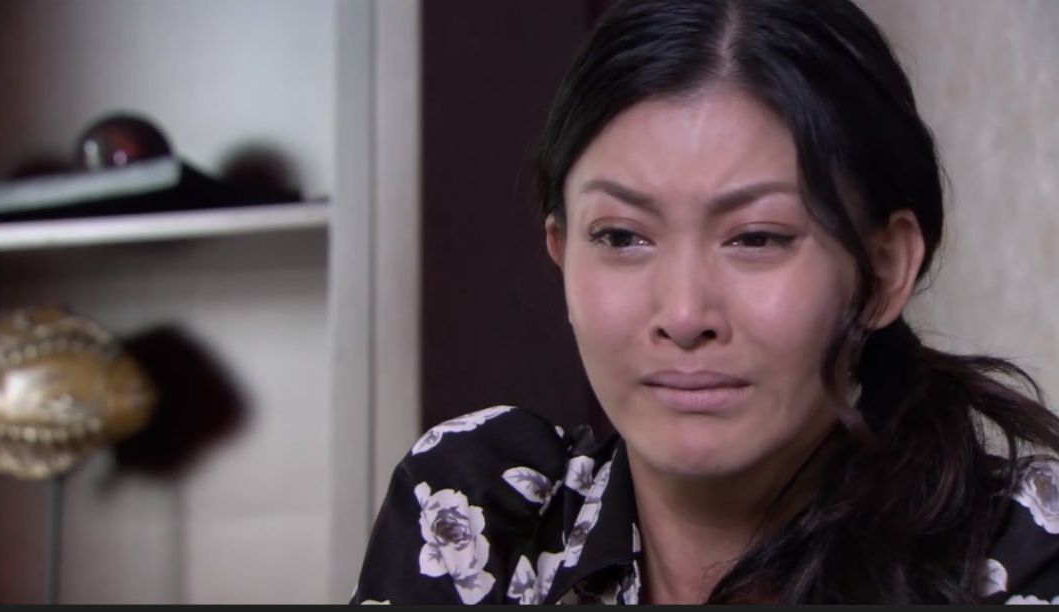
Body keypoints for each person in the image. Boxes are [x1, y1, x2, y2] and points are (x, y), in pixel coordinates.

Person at [351, 0, 1059, 604]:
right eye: (622, 236)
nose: (685, 315)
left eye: (757, 237)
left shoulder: (1023, 554)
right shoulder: (478, 514)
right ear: (562, 254)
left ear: (882, 271)